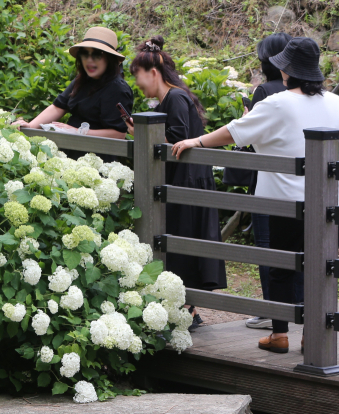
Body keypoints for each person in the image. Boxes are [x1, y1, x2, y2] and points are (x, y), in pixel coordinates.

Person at [172, 37, 339, 353]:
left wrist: (198, 141)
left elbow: (235, 131)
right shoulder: (335, 102)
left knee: (279, 267)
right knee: (319, 268)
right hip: (327, 202)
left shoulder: (277, 102)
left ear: (287, 70)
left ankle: (279, 334)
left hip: (283, 200)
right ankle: (311, 333)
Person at [128, 35, 227, 332]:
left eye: (139, 77)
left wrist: (146, 134)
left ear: (153, 72)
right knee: (177, 243)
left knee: (183, 243)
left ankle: (186, 311)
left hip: (188, 180)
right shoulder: (169, 99)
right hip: (183, 179)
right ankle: (183, 309)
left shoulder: (176, 98)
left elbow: (178, 137)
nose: (138, 85)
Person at [12, 27, 134, 160]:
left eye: (97, 54)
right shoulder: (83, 80)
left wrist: (78, 132)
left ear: (109, 59)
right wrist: (30, 126)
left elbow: (118, 134)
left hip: (97, 159)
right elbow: (58, 106)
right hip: (71, 152)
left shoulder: (117, 89)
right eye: (84, 54)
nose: (89, 60)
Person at [244, 32, 297, 331]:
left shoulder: (264, 91)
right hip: (300, 186)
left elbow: (254, 139)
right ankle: (299, 309)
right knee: (298, 252)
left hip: (269, 183)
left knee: (268, 247)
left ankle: (270, 312)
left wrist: (246, 118)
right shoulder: (306, 93)